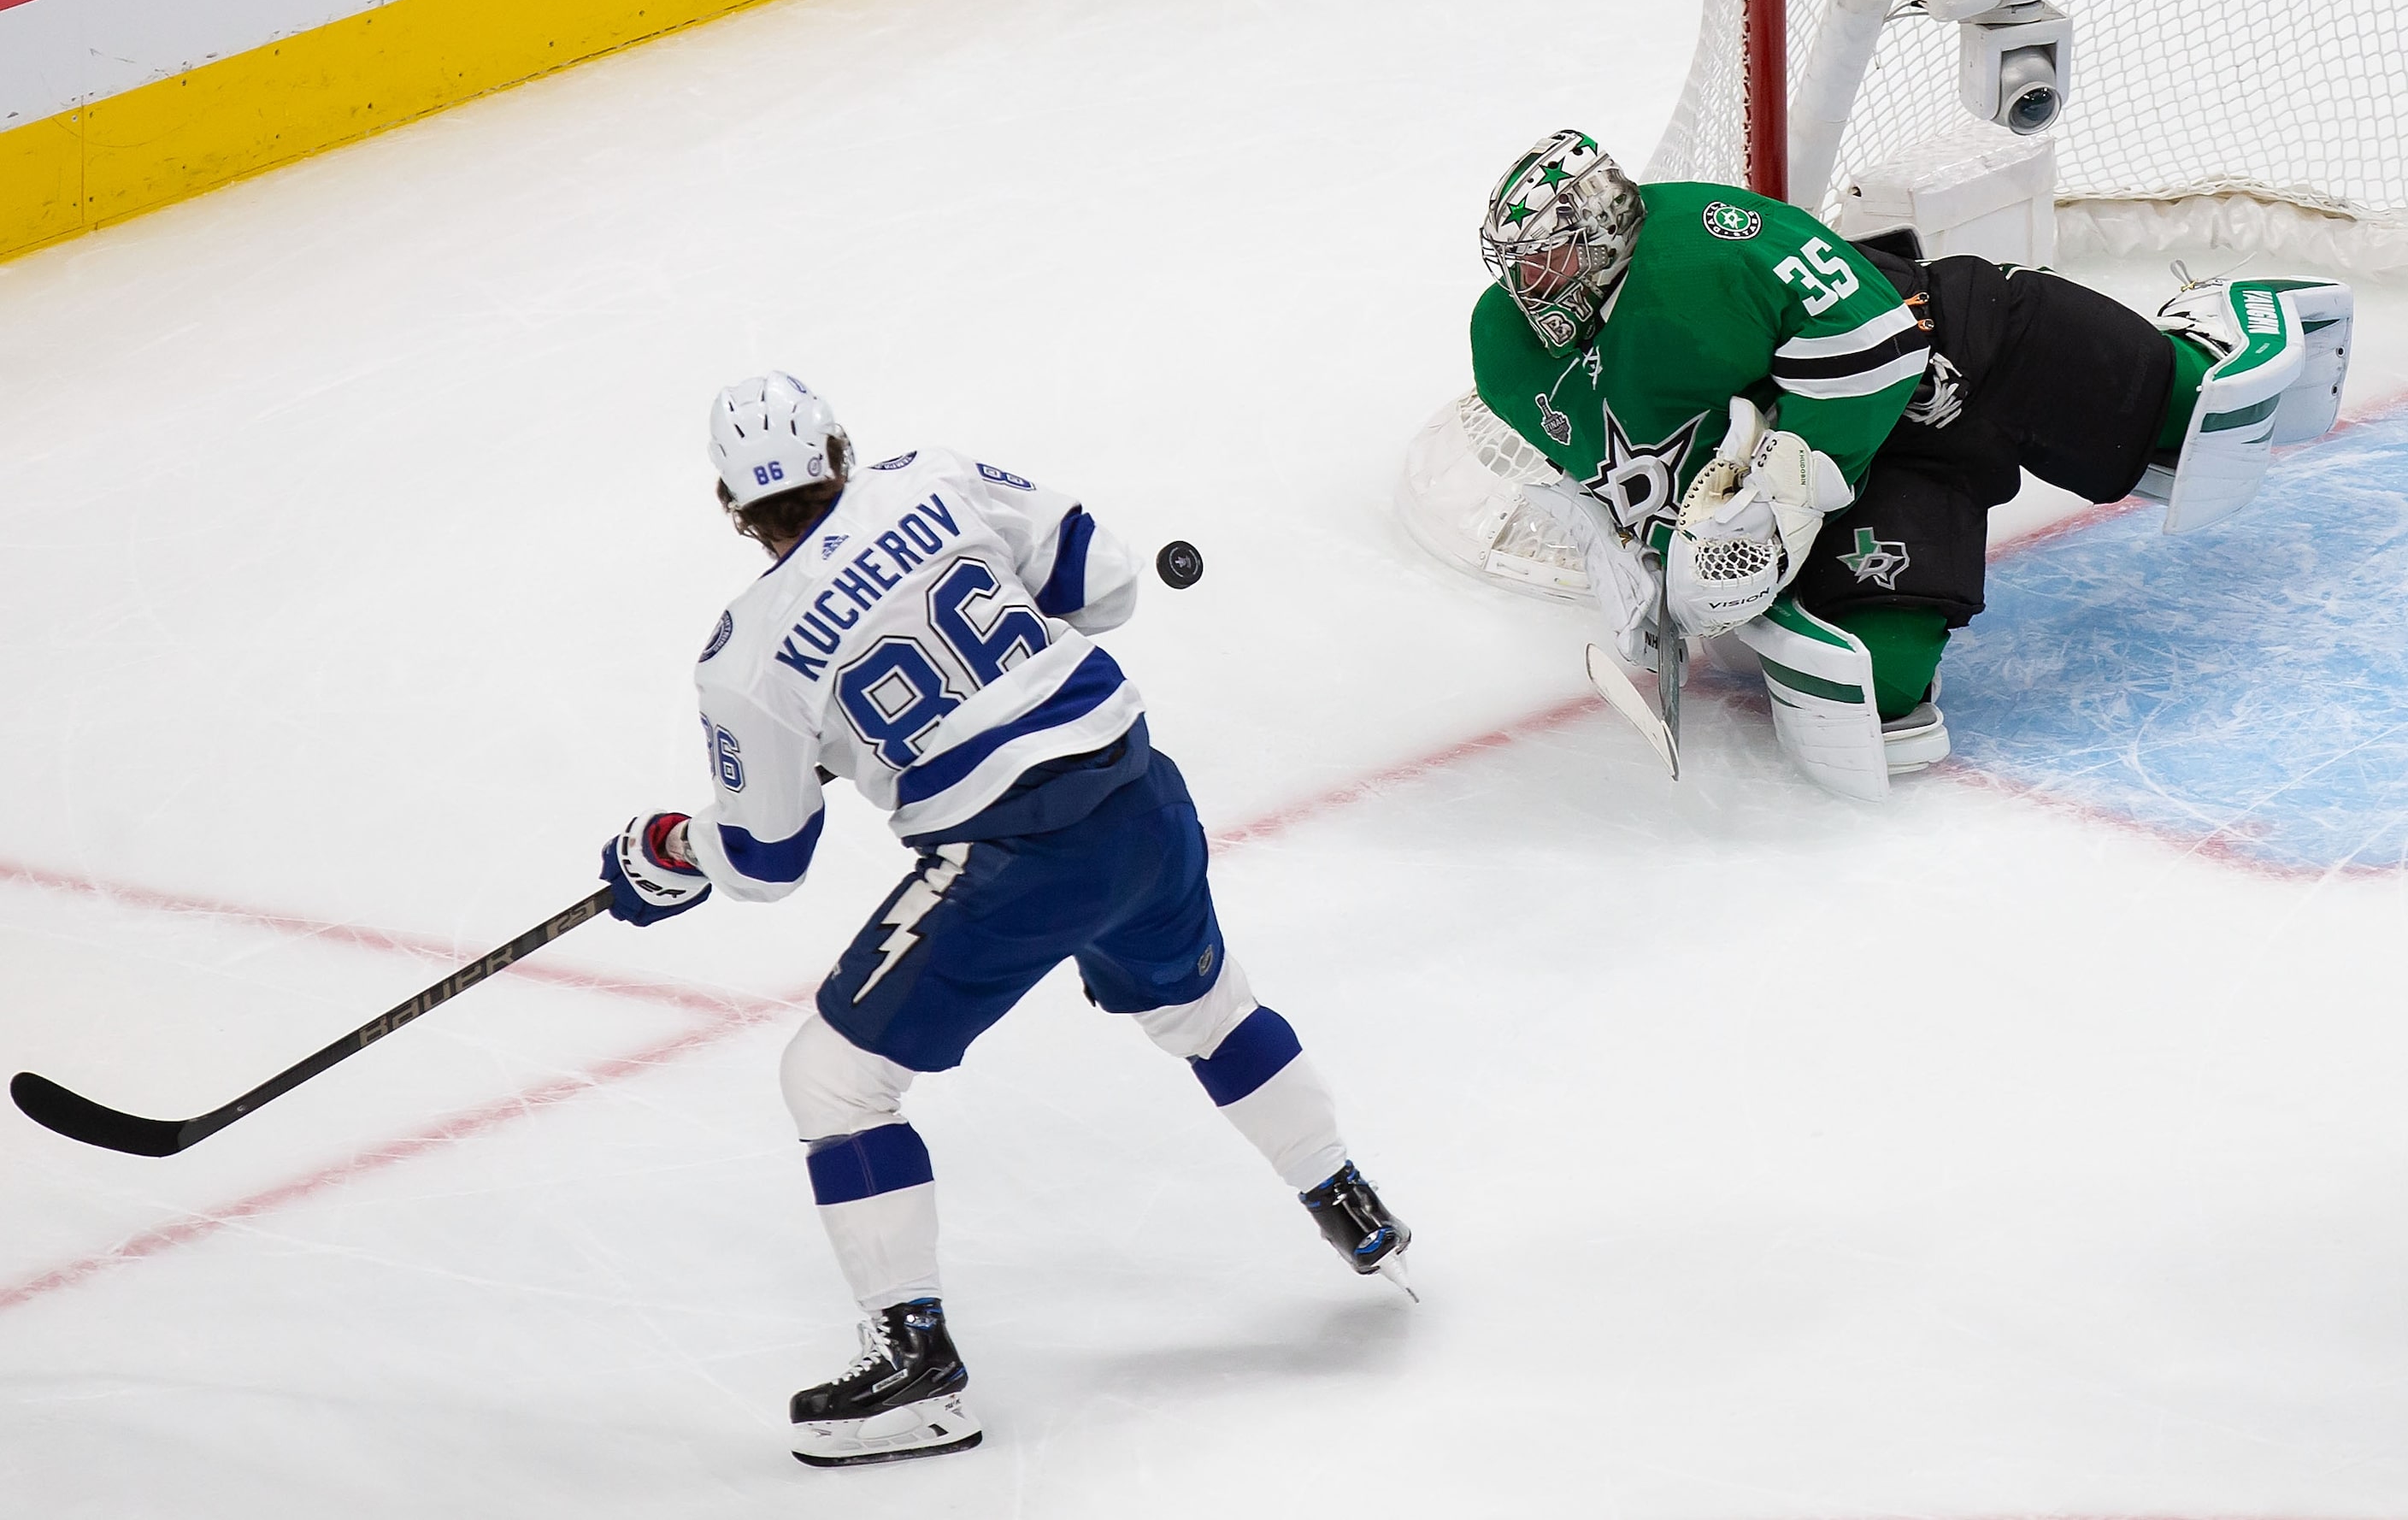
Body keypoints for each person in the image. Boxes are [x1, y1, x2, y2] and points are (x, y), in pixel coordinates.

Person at [598, 374, 1411, 1469]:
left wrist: (667, 852)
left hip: (1014, 858)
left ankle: (919, 1372)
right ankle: (1345, 1199)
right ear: (841, 449)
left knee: (831, 1083)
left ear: (731, 505)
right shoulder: (931, 478)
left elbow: (766, 856)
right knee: (1207, 1008)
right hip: (1139, 794)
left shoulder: (745, 656)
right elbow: (1107, 584)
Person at [1469, 129, 2353, 799]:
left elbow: (1874, 339)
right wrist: (1651, 567)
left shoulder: (1706, 238)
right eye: (1520, 263)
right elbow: (1628, 481)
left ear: (1604, 231)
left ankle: (2206, 337)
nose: (1531, 283)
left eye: (1548, 256)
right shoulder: (1508, 351)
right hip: (1884, 469)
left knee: (2201, 411)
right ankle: (1825, 611)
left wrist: (1779, 503)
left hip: (1963, 350)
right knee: (1880, 696)